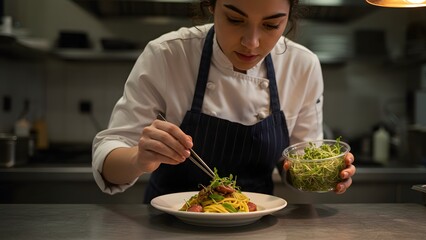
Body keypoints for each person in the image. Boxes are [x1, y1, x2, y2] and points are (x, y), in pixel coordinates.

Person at [92, 0, 356, 203]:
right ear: (211, 6)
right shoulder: (168, 54)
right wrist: (139, 159)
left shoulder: (301, 65)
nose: (251, 43)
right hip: (169, 227)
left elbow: (295, 165)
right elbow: (108, 161)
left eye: (271, 25)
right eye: (234, 19)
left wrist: (321, 173)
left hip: (258, 225)